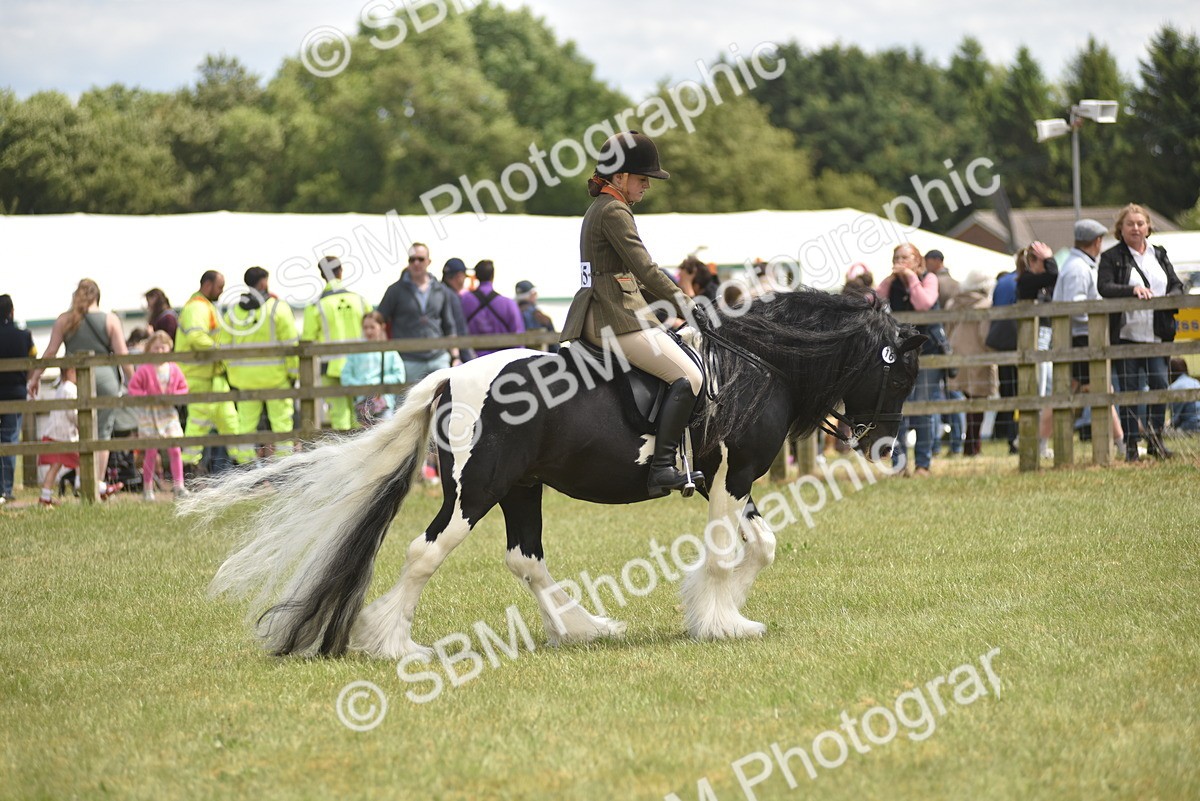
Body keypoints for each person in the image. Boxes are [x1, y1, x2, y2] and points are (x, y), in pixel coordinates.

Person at [560, 130, 701, 497]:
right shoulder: (614, 210)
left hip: (597, 313)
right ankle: (662, 467)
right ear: (619, 176)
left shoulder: (599, 209)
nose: (646, 187)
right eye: (642, 179)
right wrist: (687, 304)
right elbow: (645, 269)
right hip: (614, 317)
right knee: (689, 376)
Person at [27, 279, 130, 498]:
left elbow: (50, 352)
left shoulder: (64, 320)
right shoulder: (110, 319)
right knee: (101, 435)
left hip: (73, 380)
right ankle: (96, 485)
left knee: (77, 433)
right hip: (105, 381)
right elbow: (122, 355)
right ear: (97, 297)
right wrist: (136, 381)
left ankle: (78, 482)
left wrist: (35, 378)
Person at [1098, 203, 1185, 461]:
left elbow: (1177, 284)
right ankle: (1132, 447)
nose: (1135, 228)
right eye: (1130, 224)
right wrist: (1132, 290)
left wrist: (1170, 298)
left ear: (1148, 227)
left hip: (1157, 335)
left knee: (1159, 384)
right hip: (1127, 335)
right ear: (1120, 229)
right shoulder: (1112, 256)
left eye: (1140, 223)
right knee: (1130, 390)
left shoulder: (1159, 254)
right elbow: (1104, 287)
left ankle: (1156, 440)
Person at [1051, 218, 1124, 450]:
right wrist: (1100, 309)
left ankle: (1043, 442)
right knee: (1099, 389)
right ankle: (1121, 443)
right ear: (1097, 241)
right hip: (1082, 337)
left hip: (1081, 336)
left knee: (1072, 393)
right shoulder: (1079, 269)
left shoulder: (1079, 265)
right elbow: (1075, 306)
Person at [221, 267, 299, 461]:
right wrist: (293, 374)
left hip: (245, 380)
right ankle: (284, 466)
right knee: (282, 425)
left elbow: (223, 347)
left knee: (245, 426)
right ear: (263, 283)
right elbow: (291, 345)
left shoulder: (232, 313)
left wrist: (233, 373)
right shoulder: (278, 308)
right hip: (276, 378)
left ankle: (246, 468)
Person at [877, 243, 941, 476]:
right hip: (899, 355)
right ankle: (899, 464)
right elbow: (872, 303)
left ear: (917, 260)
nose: (900, 261)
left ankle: (923, 464)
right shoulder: (891, 283)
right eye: (896, 257)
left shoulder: (929, 278)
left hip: (927, 353)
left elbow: (924, 304)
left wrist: (911, 278)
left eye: (906, 257)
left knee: (923, 408)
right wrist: (888, 281)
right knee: (897, 409)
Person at [175, 270, 239, 473]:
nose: (222, 291)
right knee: (198, 424)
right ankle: (188, 469)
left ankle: (246, 467)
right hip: (199, 376)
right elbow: (196, 337)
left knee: (231, 422)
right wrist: (220, 352)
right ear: (208, 284)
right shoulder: (197, 307)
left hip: (213, 377)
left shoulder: (206, 307)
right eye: (220, 286)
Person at [302, 256, 372, 431]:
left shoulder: (316, 306)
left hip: (331, 367)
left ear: (322, 275)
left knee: (339, 415)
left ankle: (346, 457)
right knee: (362, 415)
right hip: (361, 367)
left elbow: (307, 340)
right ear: (341, 271)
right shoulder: (360, 300)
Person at [378, 243, 459, 382]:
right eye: (412, 259)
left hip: (438, 358)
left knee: (443, 403)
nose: (416, 263)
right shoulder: (395, 290)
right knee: (411, 403)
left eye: (420, 259)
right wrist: (386, 355)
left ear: (428, 261)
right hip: (408, 360)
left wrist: (455, 357)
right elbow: (379, 320)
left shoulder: (441, 289)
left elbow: (449, 325)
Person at [126, 331, 188, 501]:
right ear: (149, 349)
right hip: (149, 415)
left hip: (168, 413)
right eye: (156, 348)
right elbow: (133, 388)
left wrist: (174, 395)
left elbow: (184, 387)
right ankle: (147, 488)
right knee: (151, 451)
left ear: (169, 348)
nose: (160, 351)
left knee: (175, 448)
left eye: (163, 347)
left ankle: (179, 485)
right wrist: (146, 396)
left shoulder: (174, 368)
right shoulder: (145, 369)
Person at [945, 270, 998, 456]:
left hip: (957, 353)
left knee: (963, 401)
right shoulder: (986, 305)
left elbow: (947, 329)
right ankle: (973, 445)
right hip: (979, 356)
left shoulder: (953, 303)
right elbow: (986, 334)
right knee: (979, 404)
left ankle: (962, 444)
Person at [1016, 241, 1059, 459]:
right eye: (1043, 260)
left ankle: (1040, 443)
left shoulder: (1041, 283)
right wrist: (1049, 258)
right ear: (1033, 261)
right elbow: (1053, 275)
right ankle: (1029, 441)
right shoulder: (1026, 280)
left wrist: (1048, 260)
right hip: (1036, 342)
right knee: (1040, 391)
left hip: (1049, 340)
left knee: (1048, 391)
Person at [925, 250, 963, 456]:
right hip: (952, 343)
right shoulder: (956, 284)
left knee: (933, 396)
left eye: (927, 260)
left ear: (937, 261)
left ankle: (935, 445)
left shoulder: (934, 284)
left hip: (935, 342)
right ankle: (957, 443)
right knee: (953, 393)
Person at [0, 295, 36, 506]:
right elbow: (33, 362)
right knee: (10, 440)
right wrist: (30, 382)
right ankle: (6, 489)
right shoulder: (24, 336)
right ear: (11, 312)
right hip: (15, 393)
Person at [341, 311, 406, 426]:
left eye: (372, 327)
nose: (368, 331)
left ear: (382, 327)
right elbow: (345, 376)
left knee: (384, 436)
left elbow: (399, 376)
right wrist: (361, 385)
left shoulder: (390, 351)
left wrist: (379, 382)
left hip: (384, 404)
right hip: (362, 404)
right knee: (363, 438)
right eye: (365, 327)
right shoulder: (356, 351)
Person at [985, 266, 1020, 453]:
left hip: (1001, 341)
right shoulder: (1019, 280)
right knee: (1023, 392)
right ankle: (1016, 437)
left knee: (1008, 392)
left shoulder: (1002, 282)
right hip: (1019, 341)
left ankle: (1008, 436)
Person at [460, 259, 525, 356]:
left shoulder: (463, 301)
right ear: (492, 276)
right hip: (501, 360)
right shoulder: (508, 304)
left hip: (472, 359)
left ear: (476, 276)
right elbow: (519, 338)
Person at [36, 368, 80, 508]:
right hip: (64, 435)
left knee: (55, 465)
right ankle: (84, 485)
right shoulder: (70, 389)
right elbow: (72, 411)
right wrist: (81, 423)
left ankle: (45, 496)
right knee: (83, 459)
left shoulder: (61, 387)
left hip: (56, 433)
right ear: (71, 372)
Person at [440, 258, 475, 363]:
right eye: (464, 276)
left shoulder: (437, 291)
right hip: (451, 357)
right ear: (459, 276)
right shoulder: (452, 296)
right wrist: (469, 360)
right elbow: (460, 331)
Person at [515, 280, 559, 353]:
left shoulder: (511, 313)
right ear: (532, 295)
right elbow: (554, 346)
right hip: (538, 360)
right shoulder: (540, 317)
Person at [1167, 358, 1199, 433]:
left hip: (1190, 425)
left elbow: (1175, 417)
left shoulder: (1174, 387)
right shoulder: (1196, 382)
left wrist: (1169, 424)